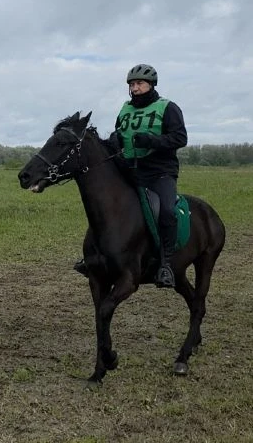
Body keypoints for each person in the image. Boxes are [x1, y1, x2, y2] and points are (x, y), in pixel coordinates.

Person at [74, 63, 188, 288]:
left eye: (139, 84)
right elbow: (120, 132)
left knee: (167, 211)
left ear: (151, 85)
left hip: (159, 172)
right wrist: (114, 139)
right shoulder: (125, 109)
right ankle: (94, 257)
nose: (135, 88)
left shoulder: (168, 108)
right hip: (129, 169)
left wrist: (152, 141)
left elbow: (180, 138)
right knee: (105, 207)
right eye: (132, 84)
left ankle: (166, 264)